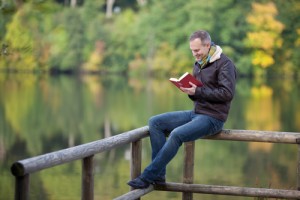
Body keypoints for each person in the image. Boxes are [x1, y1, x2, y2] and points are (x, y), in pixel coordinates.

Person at [127, 30, 237, 189]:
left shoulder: (225, 64)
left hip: (213, 118)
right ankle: (159, 176)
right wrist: (190, 91)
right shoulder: (199, 63)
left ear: (207, 45)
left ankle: (147, 177)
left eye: (197, 50)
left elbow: (227, 94)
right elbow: (200, 93)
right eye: (192, 50)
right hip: (197, 113)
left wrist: (197, 91)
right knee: (155, 122)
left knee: (176, 134)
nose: (194, 54)